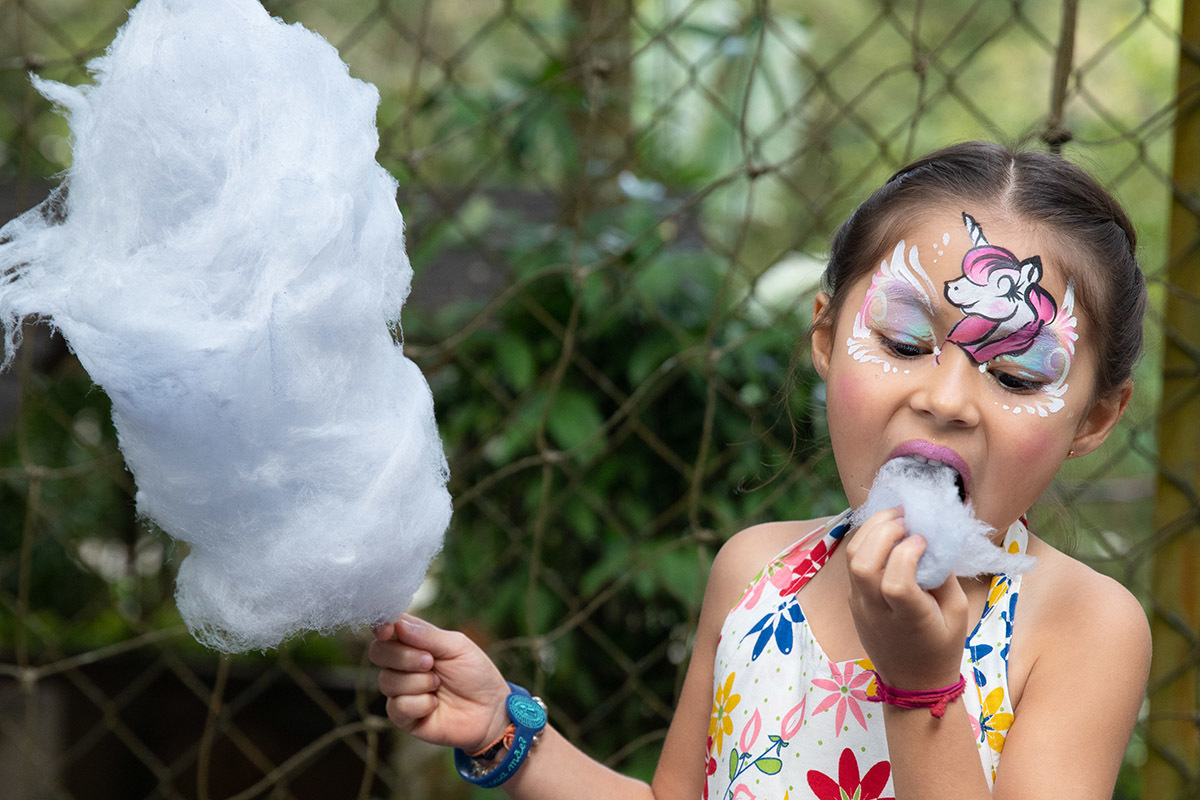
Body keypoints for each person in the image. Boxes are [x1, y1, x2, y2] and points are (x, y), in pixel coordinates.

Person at [369, 141, 1152, 799]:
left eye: (1016, 377)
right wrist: (505, 731)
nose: (947, 400)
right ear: (825, 334)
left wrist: (922, 685)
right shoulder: (755, 573)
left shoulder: (1084, 628)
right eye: (906, 344)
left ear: (1094, 419)